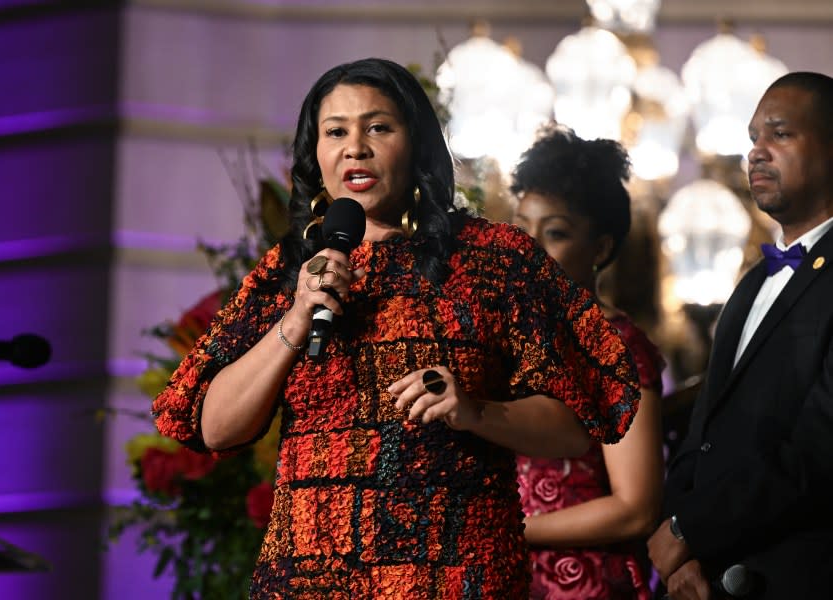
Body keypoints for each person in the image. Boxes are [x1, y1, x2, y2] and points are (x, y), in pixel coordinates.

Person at [152, 57, 641, 598]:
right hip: (309, 579)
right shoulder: (288, 271)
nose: (355, 147)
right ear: (315, 155)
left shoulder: (493, 259)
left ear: (419, 147)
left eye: (378, 127)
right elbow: (217, 429)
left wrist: (473, 409)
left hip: (454, 577)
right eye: (335, 131)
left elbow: (575, 425)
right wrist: (295, 318)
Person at [647, 71, 833, 599]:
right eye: (753, 138)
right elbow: (702, 425)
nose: (756, 152)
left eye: (780, 134)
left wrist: (691, 529)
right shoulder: (752, 280)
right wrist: (681, 542)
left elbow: (820, 451)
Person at [510, 124, 665, 599]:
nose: (528, 248)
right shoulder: (508, 333)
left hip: (586, 582)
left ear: (600, 248)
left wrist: (513, 531)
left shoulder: (616, 347)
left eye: (554, 233)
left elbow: (635, 507)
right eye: (520, 228)